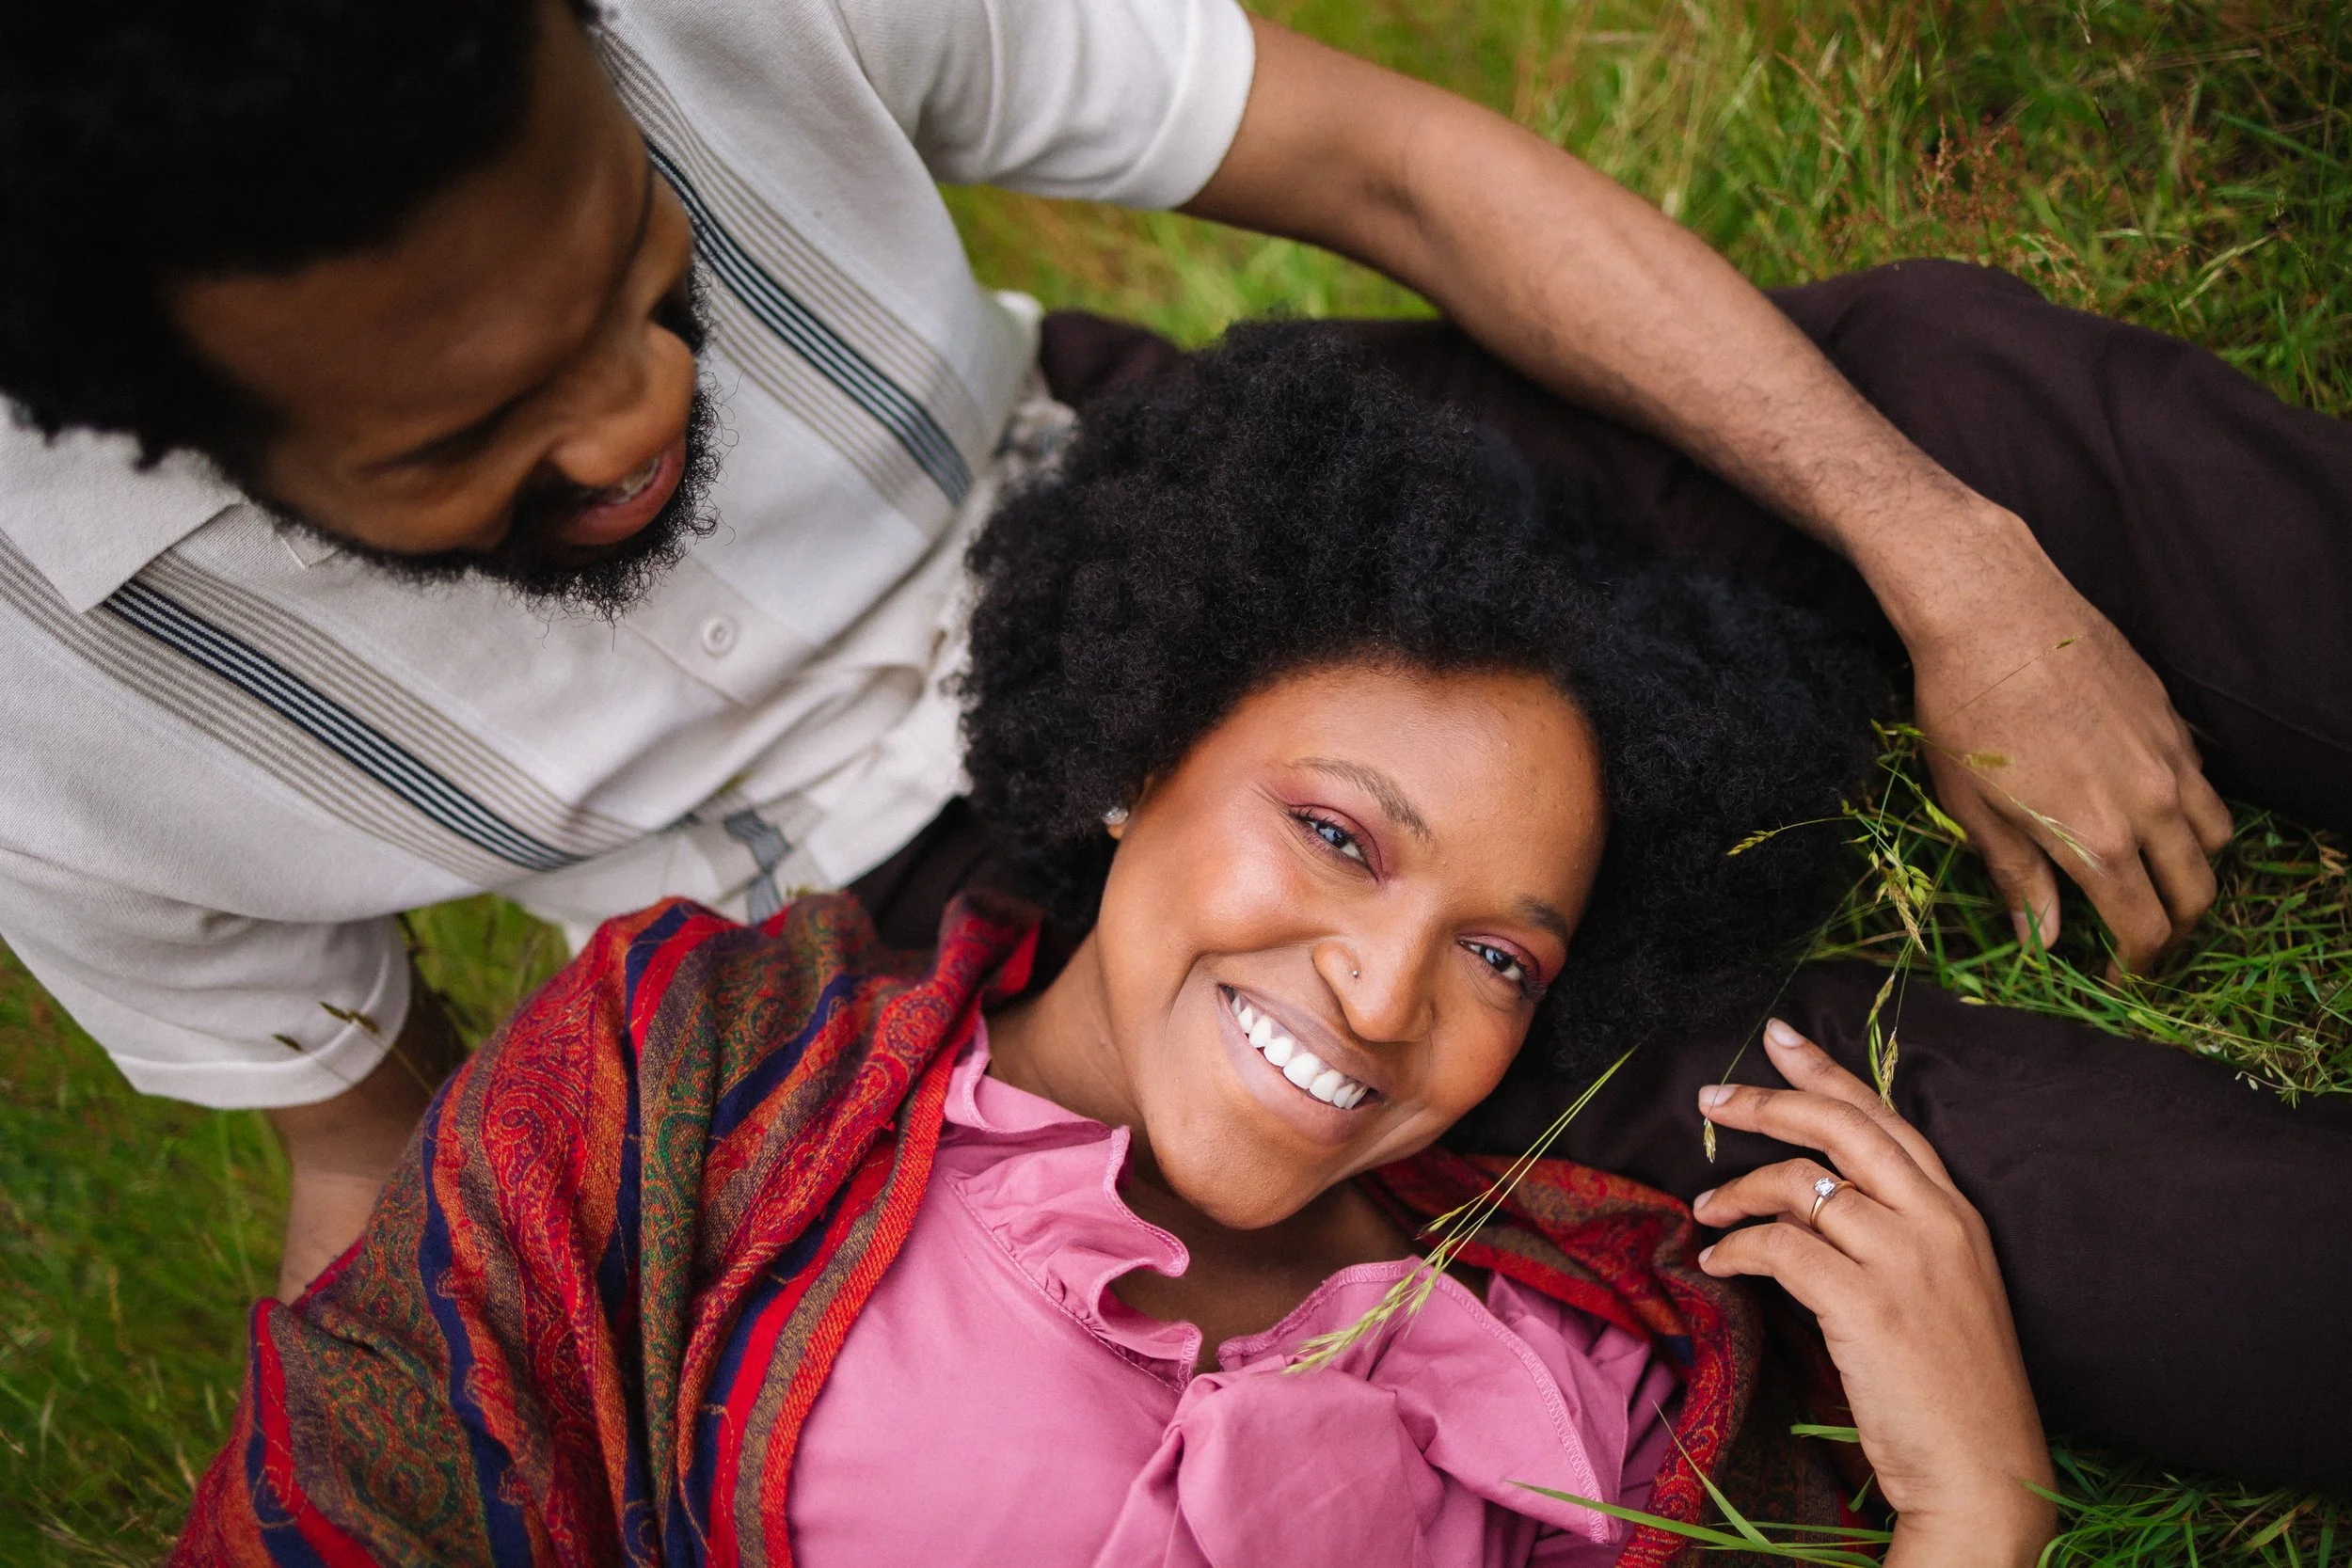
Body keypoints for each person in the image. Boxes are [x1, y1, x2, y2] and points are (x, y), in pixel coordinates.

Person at [0, 0, 2280, 1302]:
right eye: (469, 431)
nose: (632, 403)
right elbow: (365, 1156)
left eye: (637, 253)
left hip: (1139, 509)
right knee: (1868, 1144)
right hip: (868, 989)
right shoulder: (47, 720)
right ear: (151, 427)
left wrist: (1940, 551)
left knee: (1947, 400)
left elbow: (1374, 160)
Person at [172, 331, 2054, 1568]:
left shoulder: (1571, 1378)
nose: (1386, 993)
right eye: (1332, 834)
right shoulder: (698, 1094)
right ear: (1137, 752)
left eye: (1496, 953)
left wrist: (1974, 1505)